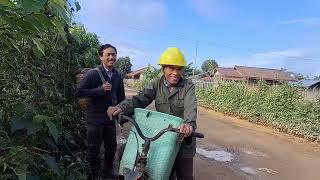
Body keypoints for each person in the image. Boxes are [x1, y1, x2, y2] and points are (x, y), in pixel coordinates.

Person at [107, 47, 197, 180]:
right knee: (123, 152)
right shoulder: (157, 83)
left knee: (185, 175)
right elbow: (140, 99)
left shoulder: (188, 87)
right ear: (163, 69)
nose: (175, 73)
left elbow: (191, 108)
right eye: (171, 68)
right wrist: (121, 108)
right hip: (162, 135)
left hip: (181, 136)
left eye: (179, 69)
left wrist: (188, 125)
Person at [75, 44, 125, 179]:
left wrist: (122, 115)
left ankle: (107, 171)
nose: (111, 57)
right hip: (94, 117)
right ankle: (93, 174)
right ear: (100, 56)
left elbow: (121, 98)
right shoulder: (93, 74)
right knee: (94, 147)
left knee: (111, 146)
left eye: (113, 54)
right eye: (108, 54)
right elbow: (79, 92)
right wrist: (99, 90)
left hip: (110, 117)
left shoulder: (117, 75)